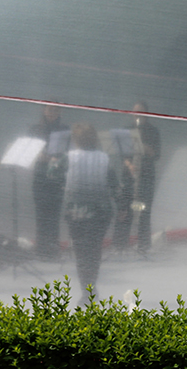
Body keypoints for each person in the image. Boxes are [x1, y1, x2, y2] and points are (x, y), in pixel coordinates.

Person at [64, 123, 118, 305]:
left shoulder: (68, 158)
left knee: (80, 252)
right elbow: (115, 186)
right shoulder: (105, 159)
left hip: (76, 213)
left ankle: (86, 290)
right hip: (100, 213)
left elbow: (51, 174)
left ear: (75, 140)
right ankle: (91, 286)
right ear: (95, 139)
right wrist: (123, 207)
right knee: (94, 251)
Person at [113, 101, 161, 254]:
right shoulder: (127, 130)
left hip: (146, 177)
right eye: (135, 112)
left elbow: (157, 155)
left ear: (147, 114)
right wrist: (129, 165)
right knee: (125, 209)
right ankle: (120, 244)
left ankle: (143, 245)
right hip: (129, 175)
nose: (137, 115)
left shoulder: (153, 131)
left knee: (143, 210)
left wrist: (146, 148)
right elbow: (122, 155)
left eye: (140, 112)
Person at [29, 104, 70, 261]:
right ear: (43, 110)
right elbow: (29, 150)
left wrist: (57, 158)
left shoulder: (65, 130)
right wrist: (40, 156)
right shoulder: (35, 129)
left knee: (54, 214)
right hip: (40, 175)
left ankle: (53, 249)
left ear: (59, 111)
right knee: (41, 213)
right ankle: (41, 249)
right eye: (49, 109)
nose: (52, 112)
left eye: (55, 109)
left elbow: (69, 151)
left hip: (57, 175)